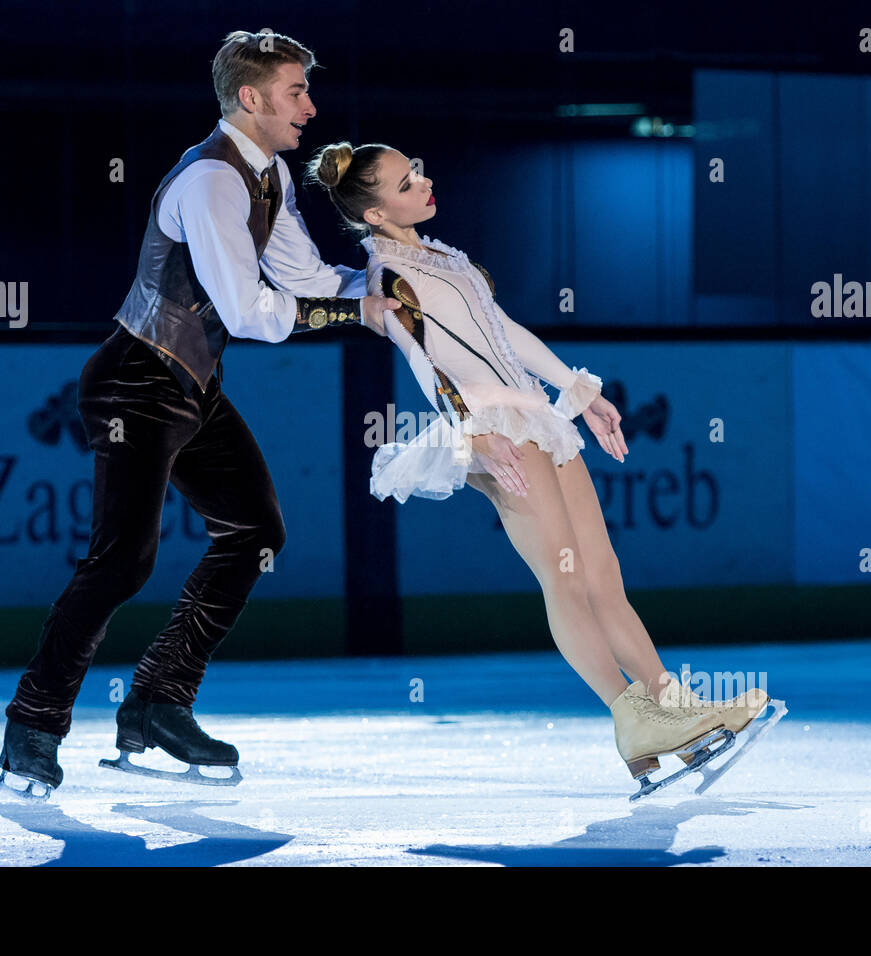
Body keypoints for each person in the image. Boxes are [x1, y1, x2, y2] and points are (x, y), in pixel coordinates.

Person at [0, 31, 399, 799]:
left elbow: (306, 276)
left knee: (254, 530)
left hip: (190, 386)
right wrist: (353, 317)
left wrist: (377, 277)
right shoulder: (213, 181)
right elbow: (248, 311)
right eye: (295, 93)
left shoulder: (268, 171)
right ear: (250, 98)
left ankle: (156, 701)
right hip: (133, 384)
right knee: (123, 561)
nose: (311, 108)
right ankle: (32, 728)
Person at [304, 141, 772, 790]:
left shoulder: (439, 254)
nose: (425, 179)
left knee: (602, 572)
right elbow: (421, 359)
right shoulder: (388, 278)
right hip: (492, 426)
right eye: (407, 181)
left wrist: (578, 391)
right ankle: (629, 716)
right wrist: (471, 431)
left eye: (419, 168)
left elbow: (503, 328)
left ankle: (673, 712)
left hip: (532, 415)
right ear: (377, 213)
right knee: (565, 579)